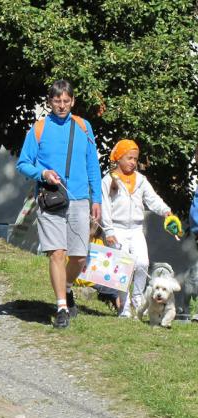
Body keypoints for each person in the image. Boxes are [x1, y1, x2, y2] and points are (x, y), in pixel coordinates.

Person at [16, 79, 102, 328]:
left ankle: (66, 286)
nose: (62, 105)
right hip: (50, 199)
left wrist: (96, 198)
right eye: (57, 101)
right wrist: (42, 174)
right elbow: (23, 163)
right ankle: (62, 306)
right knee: (57, 252)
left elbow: (92, 166)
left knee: (79, 257)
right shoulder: (39, 128)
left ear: (73, 101)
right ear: (49, 102)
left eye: (66, 101)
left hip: (78, 199)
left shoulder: (84, 127)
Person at [101, 139, 173, 318]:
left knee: (142, 263)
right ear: (118, 158)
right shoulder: (108, 180)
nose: (133, 162)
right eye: (129, 158)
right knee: (123, 268)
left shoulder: (141, 180)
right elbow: (104, 207)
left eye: (135, 159)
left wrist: (165, 211)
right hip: (116, 229)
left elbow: (152, 199)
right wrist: (108, 231)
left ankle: (138, 299)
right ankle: (124, 307)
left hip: (136, 229)